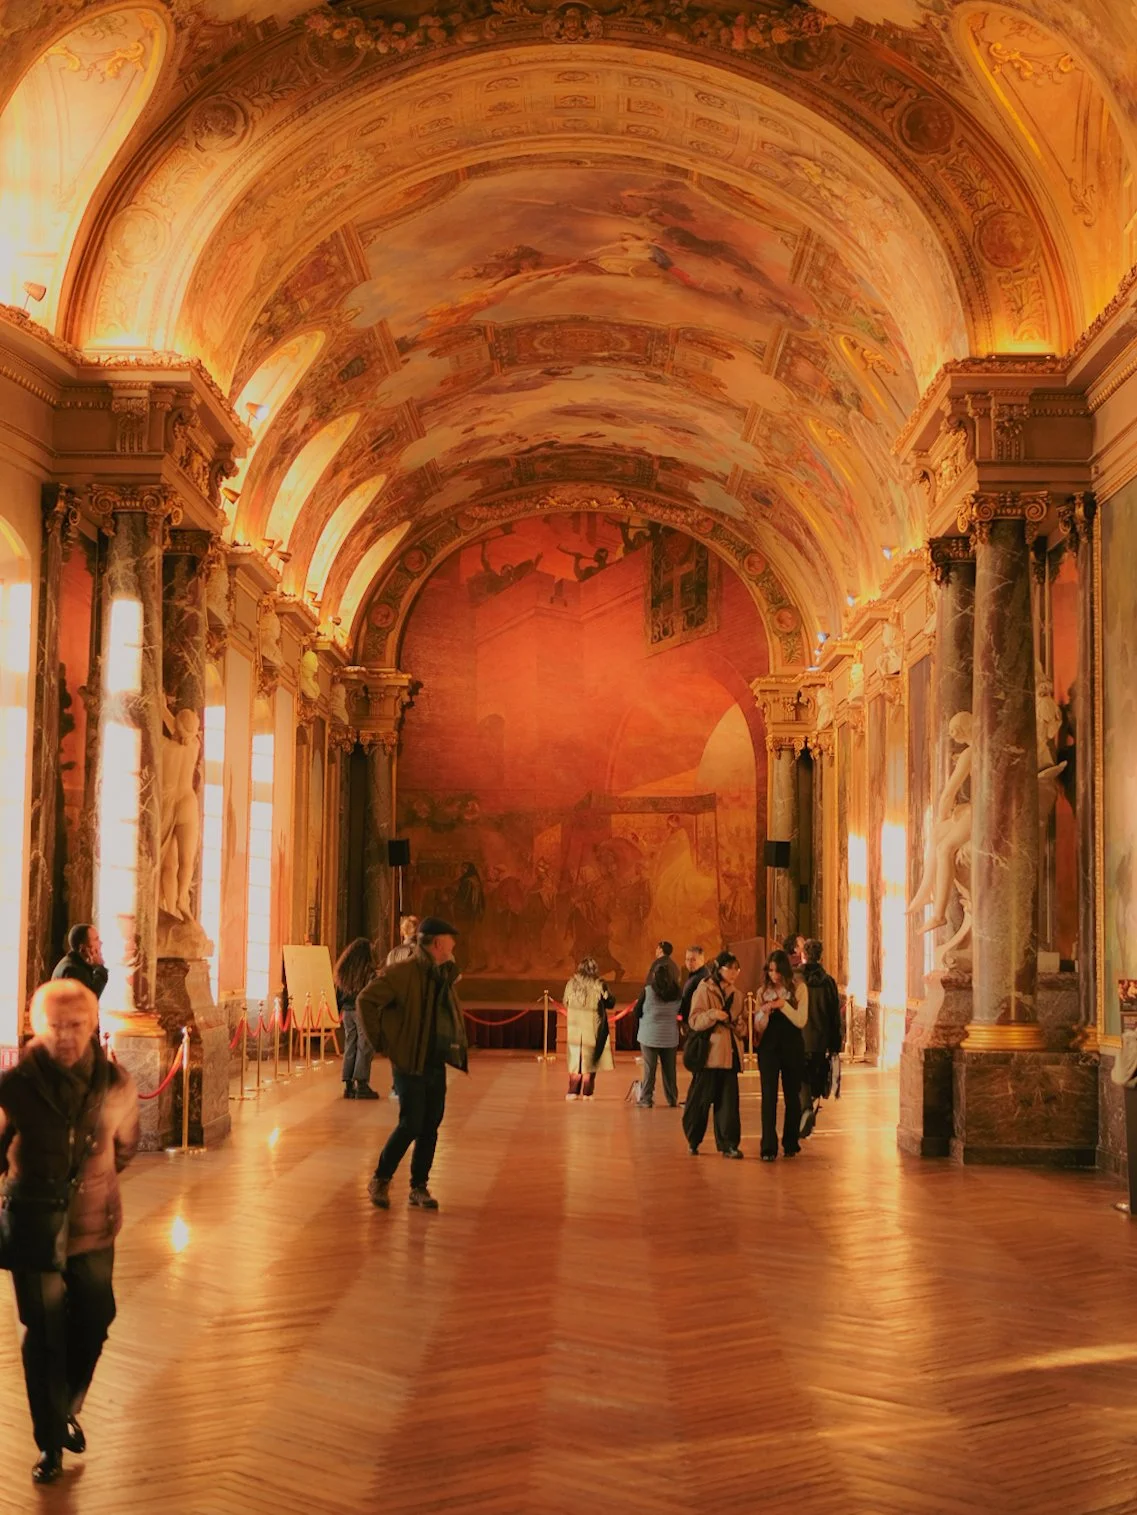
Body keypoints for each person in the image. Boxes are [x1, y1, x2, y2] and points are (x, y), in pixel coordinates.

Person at [0, 980, 139, 1485]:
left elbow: (125, 1147)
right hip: (34, 1226)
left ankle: (65, 1409)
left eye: (77, 1025)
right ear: (39, 1026)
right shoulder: (13, 1088)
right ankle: (48, 1445)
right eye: (56, 1026)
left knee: (97, 1317)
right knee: (44, 1334)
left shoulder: (115, 1083)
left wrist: (92, 1185)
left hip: (93, 1226)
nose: (66, 1036)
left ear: (92, 1024)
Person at [357, 917, 468, 1212]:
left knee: (431, 1125)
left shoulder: (440, 974)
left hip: (433, 1060)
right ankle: (380, 1178)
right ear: (438, 943)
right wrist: (382, 1042)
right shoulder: (402, 973)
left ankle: (419, 1187)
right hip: (409, 1061)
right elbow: (366, 1000)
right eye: (450, 941)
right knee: (411, 1124)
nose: (454, 946)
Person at [682, 951, 746, 1158]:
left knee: (728, 1105)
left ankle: (729, 1144)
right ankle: (693, 1139)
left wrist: (739, 1026)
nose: (735, 972)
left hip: (730, 1056)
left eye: (737, 968)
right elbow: (694, 1021)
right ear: (719, 968)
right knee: (700, 1102)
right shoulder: (704, 989)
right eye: (730, 968)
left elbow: (743, 1028)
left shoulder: (737, 995)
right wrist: (713, 1014)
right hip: (709, 1056)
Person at [757, 948, 808, 1162]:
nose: (774, 976)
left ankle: (790, 1142)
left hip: (792, 1047)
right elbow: (758, 1026)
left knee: (791, 1097)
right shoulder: (762, 992)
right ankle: (768, 1146)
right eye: (770, 971)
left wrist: (782, 1005)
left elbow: (800, 1020)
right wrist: (764, 1014)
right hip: (768, 1048)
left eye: (777, 971)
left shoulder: (799, 989)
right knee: (768, 1097)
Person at [798, 939, 842, 1139]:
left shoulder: (796, 979)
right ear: (821, 956)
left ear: (803, 955)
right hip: (820, 1040)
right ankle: (810, 1107)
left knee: (800, 1077)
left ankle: (806, 1108)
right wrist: (835, 1045)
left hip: (799, 1037)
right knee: (816, 1076)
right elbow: (835, 1016)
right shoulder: (829, 982)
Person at [563, 957, 615, 1101]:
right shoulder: (599, 984)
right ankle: (587, 1092)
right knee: (590, 1059)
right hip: (593, 1026)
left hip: (574, 1026)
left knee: (575, 1058)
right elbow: (610, 1002)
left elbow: (565, 1001)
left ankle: (572, 1090)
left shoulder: (571, 983)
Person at [335, 937, 379, 1100]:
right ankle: (361, 1083)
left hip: (347, 1012)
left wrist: (340, 1009)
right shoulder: (368, 971)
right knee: (365, 1046)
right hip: (362, 1011)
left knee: (350, 1045)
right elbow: (372, 992)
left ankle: (348, 1084)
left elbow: (339, 992)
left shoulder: (343, 969)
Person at [635, 955, 682, 1108]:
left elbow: (637, 1012)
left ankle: (646, 1099)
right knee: (670, 1070)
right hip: (670, 1037)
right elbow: (682, 1012)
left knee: (649, 1069)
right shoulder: (677, 993)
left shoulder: (648, 991)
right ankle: (672, 1098)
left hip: (649, 1036)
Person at [51, 925, 108, 1001]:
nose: (100, 943)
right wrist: (100, 967)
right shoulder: (73, 970)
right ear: (83, 948)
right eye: (96, 939)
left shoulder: (76, 963)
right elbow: (88, 1001)